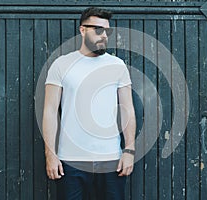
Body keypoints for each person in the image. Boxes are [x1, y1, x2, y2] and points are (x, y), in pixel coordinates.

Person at [42, 7, 136, 200]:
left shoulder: (117, 65)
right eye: (98, 30)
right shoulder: (61, 64)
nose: (104, 36)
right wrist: (50, 154)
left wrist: (129, 150)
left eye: (107, 31)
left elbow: (128, 111)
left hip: (111, 161)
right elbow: (50, 111)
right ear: (82, 30)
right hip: (70, 161)